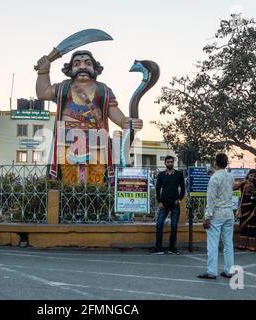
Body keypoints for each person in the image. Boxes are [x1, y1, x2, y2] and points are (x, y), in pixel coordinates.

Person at [35, 51, 143, 184]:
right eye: (77, 63)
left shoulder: (103, 90)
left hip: (97, 141)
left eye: (87, 63)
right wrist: (43, 72)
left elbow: (112, 109)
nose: (82, 66)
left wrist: (123, 121)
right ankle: (70, 203)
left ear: (95, 68)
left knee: (96, 178)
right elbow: (43, 93)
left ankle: (96, 202)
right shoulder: (63, 88)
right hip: (67, 141)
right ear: (70, 69)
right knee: (69, 179)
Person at [198, 153, 235, 280]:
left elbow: (211, 199)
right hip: (229, 213)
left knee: (213, 244)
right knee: (228, 244)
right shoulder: (230, 177)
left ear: (216, 163)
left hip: (217, 214)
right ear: (226, 163)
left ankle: (211, 271)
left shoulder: (214, 178)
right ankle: (229, 270)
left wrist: (207, 217)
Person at [151, 156, 185, 255]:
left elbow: (183, 188)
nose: (170, 163)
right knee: (159, 225)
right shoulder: (161, 175)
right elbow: (157, 189)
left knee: (174, 226)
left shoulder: (179, 174)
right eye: (168, 162)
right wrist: (159, 201)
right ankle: (158, 248)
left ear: (173, 163)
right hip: (164, 204)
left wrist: (179, 199)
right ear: (165, 163)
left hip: (175, 204)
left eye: (171, 162)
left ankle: (172, 248)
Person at [234, 169, 256, 252]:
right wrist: (242, 182)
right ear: (248, 175)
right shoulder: (244, 182)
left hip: (254, 208)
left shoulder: (255, 184)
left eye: (254, 176)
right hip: (245, 208)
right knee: (244, 225)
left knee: (253, 226)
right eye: (251, 176)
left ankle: (253, 246)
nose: (252, 177)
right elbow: (234, 188)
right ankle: (243, 245)